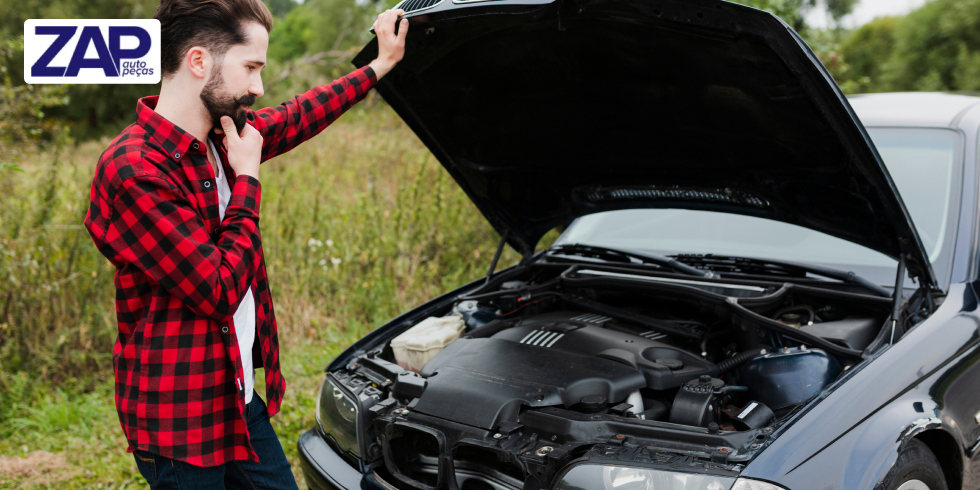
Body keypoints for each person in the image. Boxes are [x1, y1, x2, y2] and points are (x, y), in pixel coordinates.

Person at [82, 0, 407, 487]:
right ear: (198, 62)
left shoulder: (222, 134)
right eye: (251, 67)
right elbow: (218, 288)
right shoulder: (135, 168)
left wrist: (378, 66)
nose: (258, 87)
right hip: (181, 424)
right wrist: (248, 177)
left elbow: (300, 115)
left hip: (237, 398)